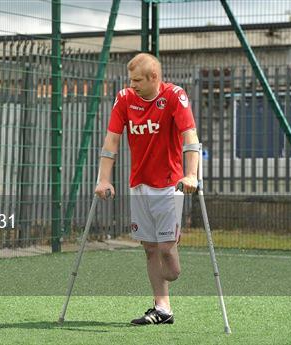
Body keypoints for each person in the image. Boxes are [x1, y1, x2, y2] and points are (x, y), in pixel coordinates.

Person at [95, 53, 199, 326]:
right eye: (131, 80)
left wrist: (191, 175)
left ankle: (174, 244)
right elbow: (112, 140)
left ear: (154, 78)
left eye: (138, 80)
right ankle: (162, 308)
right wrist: (103, 179)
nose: (133, 85)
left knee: (167, 255)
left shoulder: (175, 96)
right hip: (139, 185)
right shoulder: (125, 99)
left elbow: (190, 137)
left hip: (169, 184)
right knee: (150, 249)